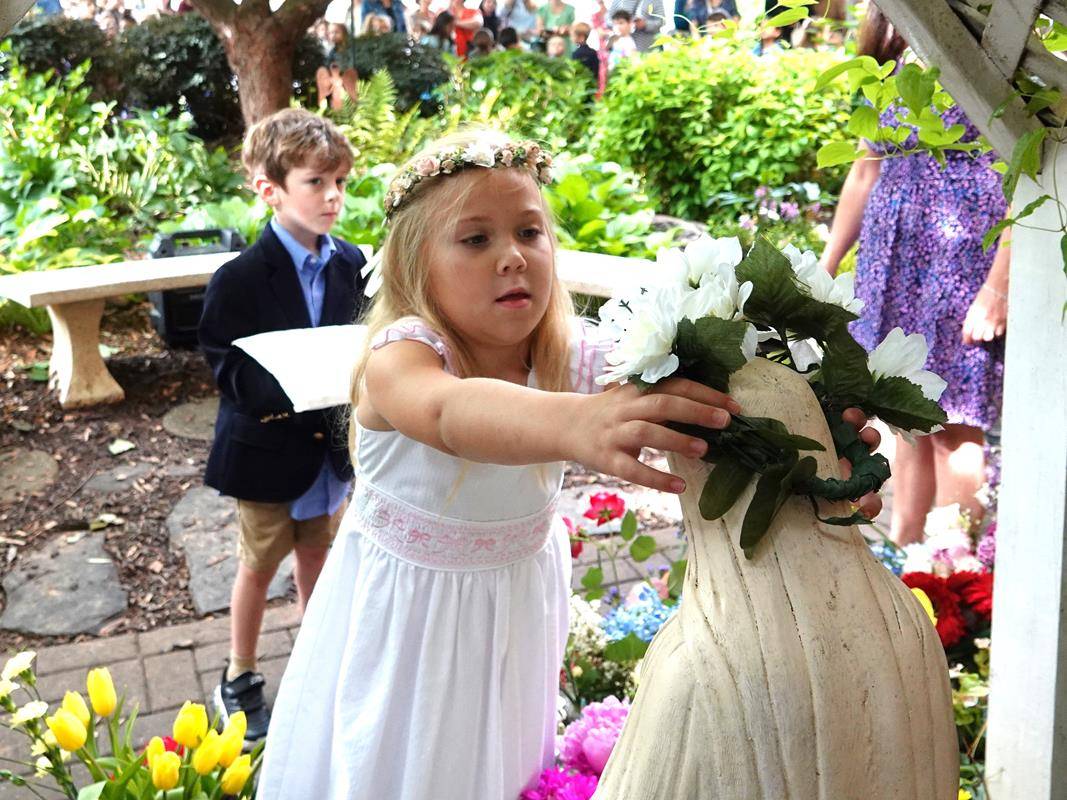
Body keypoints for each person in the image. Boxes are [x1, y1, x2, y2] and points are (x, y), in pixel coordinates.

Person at [256, 128, 884, 797]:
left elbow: (704, 389)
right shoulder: (401, 356)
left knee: (498, 764)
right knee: (405, 764)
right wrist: (578, 421)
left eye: (529, 232)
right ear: (416, 266)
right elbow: (446, 413)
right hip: (409, 627)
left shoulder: (566, 352)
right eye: (476, 239)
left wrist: (808, 433)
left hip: (515, 607)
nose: (512, 257)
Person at [199, 109, 369, 744]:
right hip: (266, 453)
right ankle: (239, 672)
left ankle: (316, 656)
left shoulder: (352, 263)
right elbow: (225, 363)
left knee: (319, 552)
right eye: (315, 182)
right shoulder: (240, 277)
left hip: (328, 454)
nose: (332, 196)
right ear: (269, 189)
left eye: (340, 182)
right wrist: (293, 386)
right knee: (259, 562)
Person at [819, 5, 1008, 546]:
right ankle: (907, 556)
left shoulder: (988, 42)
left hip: (961, 263)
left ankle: (954, 566)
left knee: (954, 425)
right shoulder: (889, 49)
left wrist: (998, 287)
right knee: (906, 416)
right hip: (892, 263)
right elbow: (864, 169)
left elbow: (1025, 177)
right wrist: (825, 267)